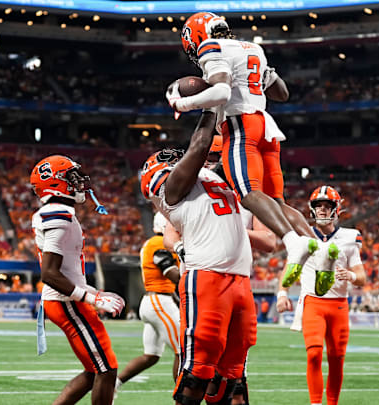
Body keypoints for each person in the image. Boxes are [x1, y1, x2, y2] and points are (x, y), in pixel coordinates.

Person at [167, 12, 336, 292]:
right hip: (266, 126)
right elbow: (282, 93)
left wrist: (182, 104)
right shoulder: (253, 48)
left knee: (249, 195)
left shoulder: (212, 47)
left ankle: (294, 244)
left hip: (240, 125)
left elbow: (221, 92)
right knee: (276, 202)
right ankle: (321, 253)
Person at [140, 110, 254, 405]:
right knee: (198, 371)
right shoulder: (172, 189)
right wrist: (212, 103)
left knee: (233, 378)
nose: (179, 161)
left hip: (239, 279)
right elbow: (201, 144)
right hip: (206, 277)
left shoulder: (207, 181)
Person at [30, 155, 125, 405]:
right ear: (55, 182)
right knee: (106, 370)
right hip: (65, 301)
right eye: (71, 177)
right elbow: (49, 273)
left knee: (95, 370)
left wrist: (92, 291)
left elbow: (65, 268)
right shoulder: (57, 213)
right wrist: (91, 296)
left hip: (66, 299)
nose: (79, 182)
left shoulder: (60, 212)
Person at [275, 185, 365, 405]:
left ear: (336, 209)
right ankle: (315, 403)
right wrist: (282, 293)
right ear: (312, 209)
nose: (323, 210)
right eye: (319, 206)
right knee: (314, 354)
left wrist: (351, 276)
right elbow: (290, 267)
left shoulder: (350, 237)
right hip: (313, 303)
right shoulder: (301, 237)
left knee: (336, 360)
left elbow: (361, 277)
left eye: (327, 206)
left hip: (339, 305)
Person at [116, 212, 181, 394]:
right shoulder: (158, 244)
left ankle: (114, 384)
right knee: (184, 350)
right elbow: (170, 272)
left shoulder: (154, 243)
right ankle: (184, 397)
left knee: (151, 356)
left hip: (154, 301)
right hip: (159, 301)